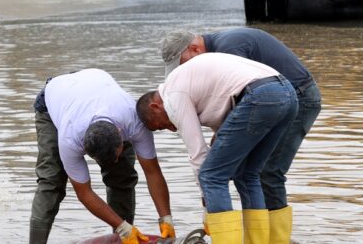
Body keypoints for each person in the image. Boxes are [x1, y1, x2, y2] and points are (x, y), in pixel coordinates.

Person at [160, 28, 322, 243]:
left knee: (256, 173)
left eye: (183, 63)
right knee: (249, 173)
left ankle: (275, 240)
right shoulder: (218, 48)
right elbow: (235, 98)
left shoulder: (230, 47)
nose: (183, 69)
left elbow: (245, 93)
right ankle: (264, 240)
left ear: (194, 48)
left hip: (298, 96)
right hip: (282, 94)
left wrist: (208, 204)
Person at [137, 52, 298, 244]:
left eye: (162, 125)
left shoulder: (173, 96)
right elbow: (225, 132)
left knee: (211, 176)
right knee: (247, 174)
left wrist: (208, 210)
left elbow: (198, 155)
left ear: (156, 107)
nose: (171, 129)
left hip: (260, 95)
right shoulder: (188, 82)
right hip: (287, 94)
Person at [30, 69, 174, 244]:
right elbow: (84, 193)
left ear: (121, 136)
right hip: (53, 100)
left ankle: (123, 240)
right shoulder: (70, 139)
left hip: (90, 86)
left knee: (122, 175)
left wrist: (165, 218)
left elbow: (152, 172)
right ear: (84, 147)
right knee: (51, 181)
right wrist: (123, 227)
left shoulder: (133, 121)